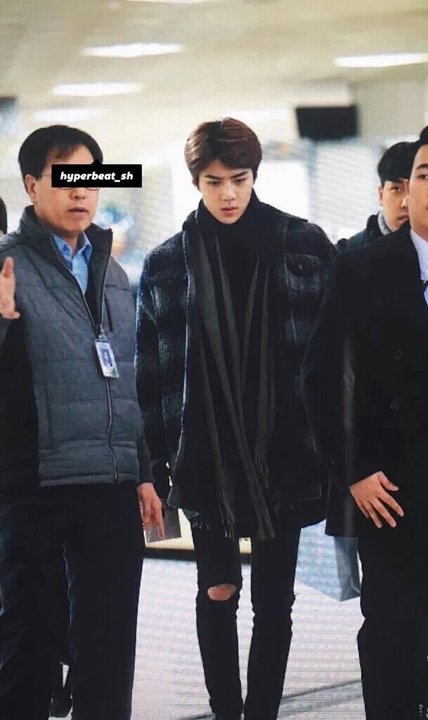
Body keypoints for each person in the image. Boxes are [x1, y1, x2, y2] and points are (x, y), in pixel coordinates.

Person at [136, 117, 334, 720]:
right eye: (214, 181)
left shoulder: (304, 244)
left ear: (255, 176)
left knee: (274, 600)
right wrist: (152, 465)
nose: (228, 194)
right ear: (196, 181)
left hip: (287, 450)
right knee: (217, 589)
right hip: (206, 456)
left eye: (239, 179)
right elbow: (151, 375)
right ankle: (227, 710)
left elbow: (337, 357)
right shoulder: (167, 263)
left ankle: (262, 712)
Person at [303, 120, 428, 720]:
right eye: (423, 175)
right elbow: (319, 378)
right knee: (391, 648)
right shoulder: (361, 269)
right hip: (396, 492)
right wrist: (352, 469)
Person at [0, 124, 162, 720]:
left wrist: (143, 471)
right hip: (34, 483)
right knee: (28, 646)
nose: (80, 191)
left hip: (111, 482)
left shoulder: (113, 272)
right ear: (30, 185)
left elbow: (127, 378)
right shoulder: (7, 265)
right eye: (64, 177)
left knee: (109, 649)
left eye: (91, 178)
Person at [336, 140, 413, 253]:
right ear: (381, 195)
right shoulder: (349, 254)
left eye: (414, 191)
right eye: (396, 189)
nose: (405, 203)